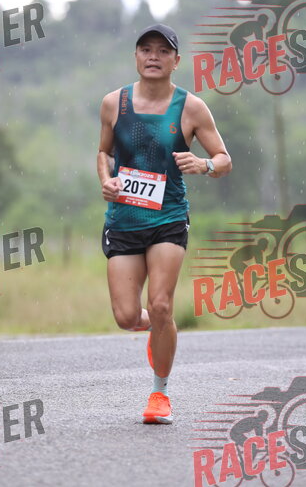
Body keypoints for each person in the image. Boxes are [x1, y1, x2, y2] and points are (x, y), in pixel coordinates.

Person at [97, 24, 232, 424]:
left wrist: (204, 164)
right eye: (145, 49)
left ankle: (160, 394)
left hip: (168, 218)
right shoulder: (113, 103)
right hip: (124, 219)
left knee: (160, 304)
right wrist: (105, 180)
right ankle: (159, 330)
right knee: (126, 317)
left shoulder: (191, 108)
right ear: (136, 57)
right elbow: (103, 153)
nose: (153, 56)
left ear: (176, 60)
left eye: (162, 50)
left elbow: (224, 159)